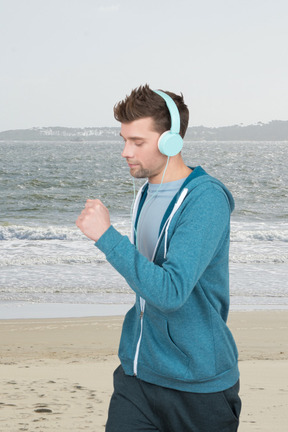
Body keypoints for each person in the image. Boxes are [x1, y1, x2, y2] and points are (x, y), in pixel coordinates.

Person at [76, 84, 241, 431]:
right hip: (138, 376)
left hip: (198, 387)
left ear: (171, 141)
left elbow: (170, 292)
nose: (125, 151)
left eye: (137, 142)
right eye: (124, 139)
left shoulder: (205, 200)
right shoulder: (146, 193)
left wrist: (106, 237)